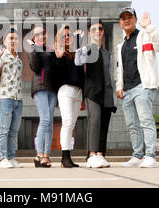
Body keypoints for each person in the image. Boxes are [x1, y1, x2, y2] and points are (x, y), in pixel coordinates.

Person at [116, 8, 159, 168]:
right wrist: (120, 86)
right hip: (127, 90)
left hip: (143, 86)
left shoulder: (145, 35)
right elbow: (120, 68)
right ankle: (138, 156)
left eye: (129, 17)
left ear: (135, 19)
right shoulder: (121, 45)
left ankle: (150, 155)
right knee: (132, 125)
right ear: (120, 22)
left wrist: (149, 26)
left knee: (145, 121)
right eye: (123, 18)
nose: (126, 20)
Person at [75, 20, 117, 168]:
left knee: (104, 123)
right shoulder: (87, 49)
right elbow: (78, 62)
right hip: (92, 91)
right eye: (94, 29)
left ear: (103, 31)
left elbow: (111, 74)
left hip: (106, 92)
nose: (97, 31)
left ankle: (101, 155)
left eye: (100, 29)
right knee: (95, 121)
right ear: (89, 33)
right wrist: (79, 42)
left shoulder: (107, 54)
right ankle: (91, 155)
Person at [0, 29, 23, 168]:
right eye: (10, 38)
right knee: (3, 129)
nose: (13, 40)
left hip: (18, 98)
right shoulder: (2, 55)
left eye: (16, 38)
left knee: (14, 130)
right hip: (5, 97)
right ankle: (3, 158)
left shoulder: (19, 60)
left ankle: (11, 157)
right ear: (4, 41)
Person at [54, 25, 85, 168]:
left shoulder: (77, 53)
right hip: (65, 90)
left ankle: (69, 158)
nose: (67, 38)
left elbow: (82, 75)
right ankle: (64, 157)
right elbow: (56, 75)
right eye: (64, 36)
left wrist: (83, 95)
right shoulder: (59, 54)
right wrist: (59, 58)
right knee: (67, 122)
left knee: (72, 124)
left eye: (69, 35)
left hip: (78, 92)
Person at [27, 26, 58, 168]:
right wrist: (34, 48)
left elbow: (55, 68)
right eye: (37, 34)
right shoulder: (33, 49)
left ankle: (46, 155)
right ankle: (39, 154)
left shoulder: (51, 49)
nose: (40, 36)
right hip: (40, 87)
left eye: (43, 33)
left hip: (52, 88)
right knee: (45, 119)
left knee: (50, 122)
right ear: (33, 37)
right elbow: (35, 66)